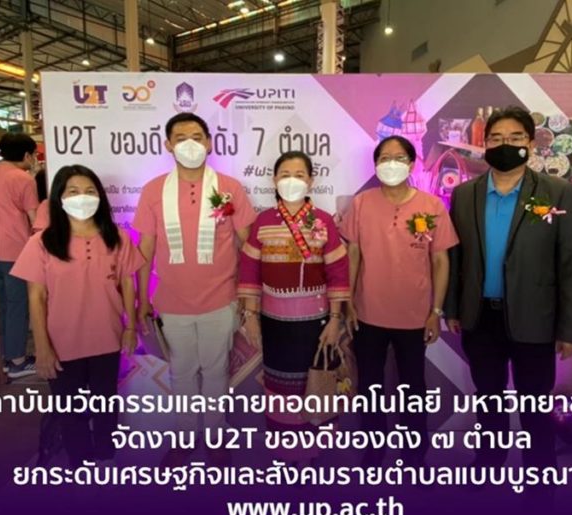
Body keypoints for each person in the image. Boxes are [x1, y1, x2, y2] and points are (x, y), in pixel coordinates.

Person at [444, 106, 572, 507]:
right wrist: (452, 308)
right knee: (488, 398)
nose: (505, 144)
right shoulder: (465, 194)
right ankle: (489, 462)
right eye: (496, 138)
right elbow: (455, 257)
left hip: (534, 318)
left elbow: (571, 261)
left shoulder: (555, 192)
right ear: (484, 143)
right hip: (479, 317)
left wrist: (570, 328)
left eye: (515, 138)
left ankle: (540, 477)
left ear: (530, 143)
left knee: (534, 403)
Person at [134, 112, 256, 468]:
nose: (190, 144)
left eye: (197, 136)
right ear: (168, 145)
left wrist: (249, 295)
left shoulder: (229, 188)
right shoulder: (154, 190)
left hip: (220, 298)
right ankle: (186, 436)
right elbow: (145, 248)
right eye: (181, 137)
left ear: (209, 143)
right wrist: (141, 299)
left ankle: (215, 437)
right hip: (172, 301)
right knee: (182, 372)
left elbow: (247, 242)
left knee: (216, 371)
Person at [11, 165, 143, 468]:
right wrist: (42, 347)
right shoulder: (42, 242)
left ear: (100, 197)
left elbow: (128, 283)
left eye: (89, 191)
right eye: (73, 191)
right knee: (70, 409)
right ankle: (80, 461)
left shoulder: (117, 237)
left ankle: (106, 456)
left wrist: (130, 327)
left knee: (105, 403)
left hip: (107, 337)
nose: (82, 197)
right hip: (62, 342)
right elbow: (36, 297)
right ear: (59, 197)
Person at [340, 135, 458, 467]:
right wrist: (348, 302)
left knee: (414, 389)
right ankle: (374, 451)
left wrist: (436, 311)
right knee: (370, 387)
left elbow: (441, 261)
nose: (391, 164)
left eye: (398, 157)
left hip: (415, 316)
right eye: (384, 158)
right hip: (367, 314)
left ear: (411, 163)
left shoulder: (432, 206)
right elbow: (353, 254)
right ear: (376, 164)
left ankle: (415, 455)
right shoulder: (362, 203)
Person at [238, 151, 350, 465]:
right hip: (274, 323)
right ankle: (287, 455)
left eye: (299, 175)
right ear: (274, 180)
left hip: (316, 324)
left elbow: (338, 272)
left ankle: (316, 455)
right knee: (280, 389)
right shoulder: (263, 221)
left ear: (311, 181)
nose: (292, 180)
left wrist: (335, 320)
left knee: (317, 384)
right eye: (285, 174)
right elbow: (250, 271)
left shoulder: (323, 220)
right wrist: (250, 316)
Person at [0, 133, 40, 379]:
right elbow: (35, 219)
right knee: (18, 306)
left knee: (2, 304)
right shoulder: (23, 179)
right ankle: (17, 361)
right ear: (26, 155)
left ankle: (7, 355)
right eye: (33, 155)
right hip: (15, 251)